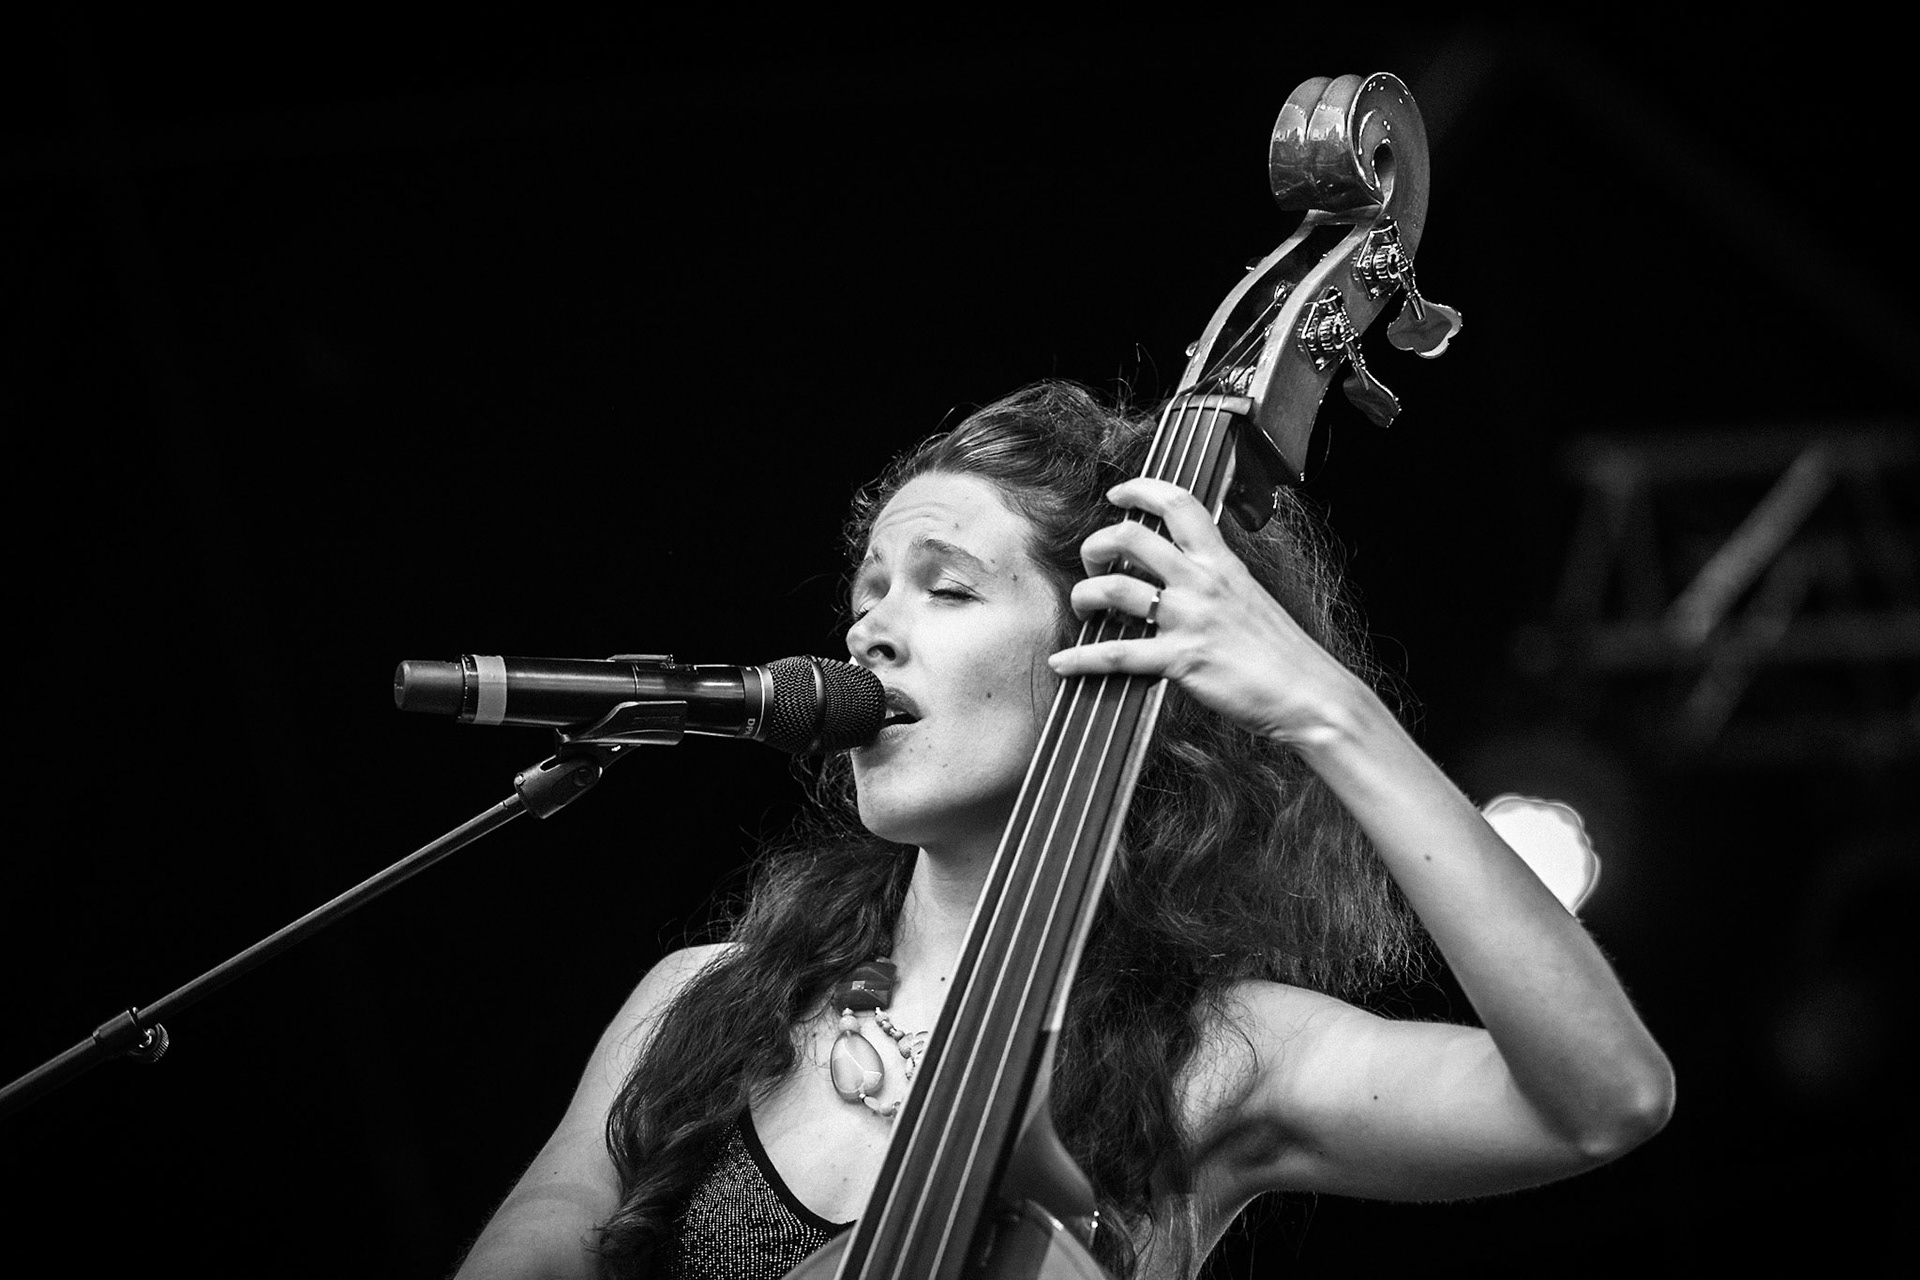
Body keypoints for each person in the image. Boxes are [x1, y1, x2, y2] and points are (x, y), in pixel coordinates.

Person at [452, 381, 1674, 1279]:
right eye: (868, 593)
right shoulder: (700, 999)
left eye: (945, 586)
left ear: (1102, 647)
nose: (871, 631)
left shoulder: (1217, 1054)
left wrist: (1322, 702)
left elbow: (1600, 1096)